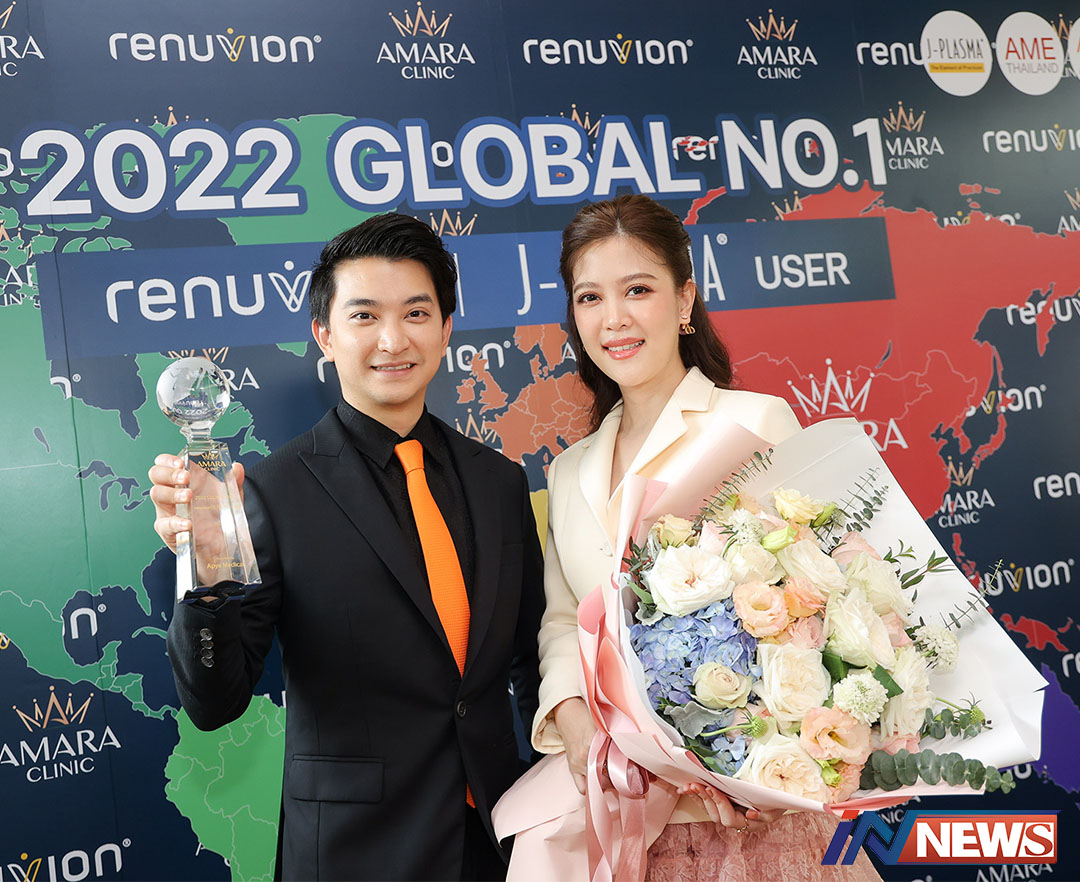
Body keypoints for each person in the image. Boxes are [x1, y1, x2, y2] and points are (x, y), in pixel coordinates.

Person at [149, 214, 545, 881]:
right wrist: (206, 570)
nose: (393, 339)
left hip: (501, 840)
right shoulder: (272, 491)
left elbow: (532, 660)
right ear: (325, 336)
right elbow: (215, 702)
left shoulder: (499, 482)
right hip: (356, 853)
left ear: (446, 329)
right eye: (364, 316)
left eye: (416, 313)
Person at [530, 194, 882, 881]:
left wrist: (751, 741)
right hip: (625, 809)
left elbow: (826, 601)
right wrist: (573, 719)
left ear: (685, 300)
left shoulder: (754, 424)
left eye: (638, 290)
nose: (614, 318)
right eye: (590, 297)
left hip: (753, 810)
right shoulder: (569, 470)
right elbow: (564, 619)